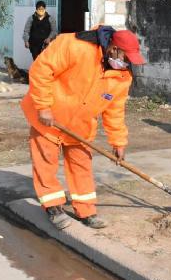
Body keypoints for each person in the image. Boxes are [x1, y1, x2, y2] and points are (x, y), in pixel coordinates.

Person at [21, 25, 145, 230]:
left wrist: (118, 141)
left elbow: (114, 110)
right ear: (113, 48)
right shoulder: (75, 45)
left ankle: (86, 210)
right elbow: (41, 69)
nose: (127, 63)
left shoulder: (122, 77)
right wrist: (43, 107)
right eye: (126, 57)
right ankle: (53, 206)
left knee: (82, 166)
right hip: (49, 120)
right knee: (46, 162)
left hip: (81, 126)